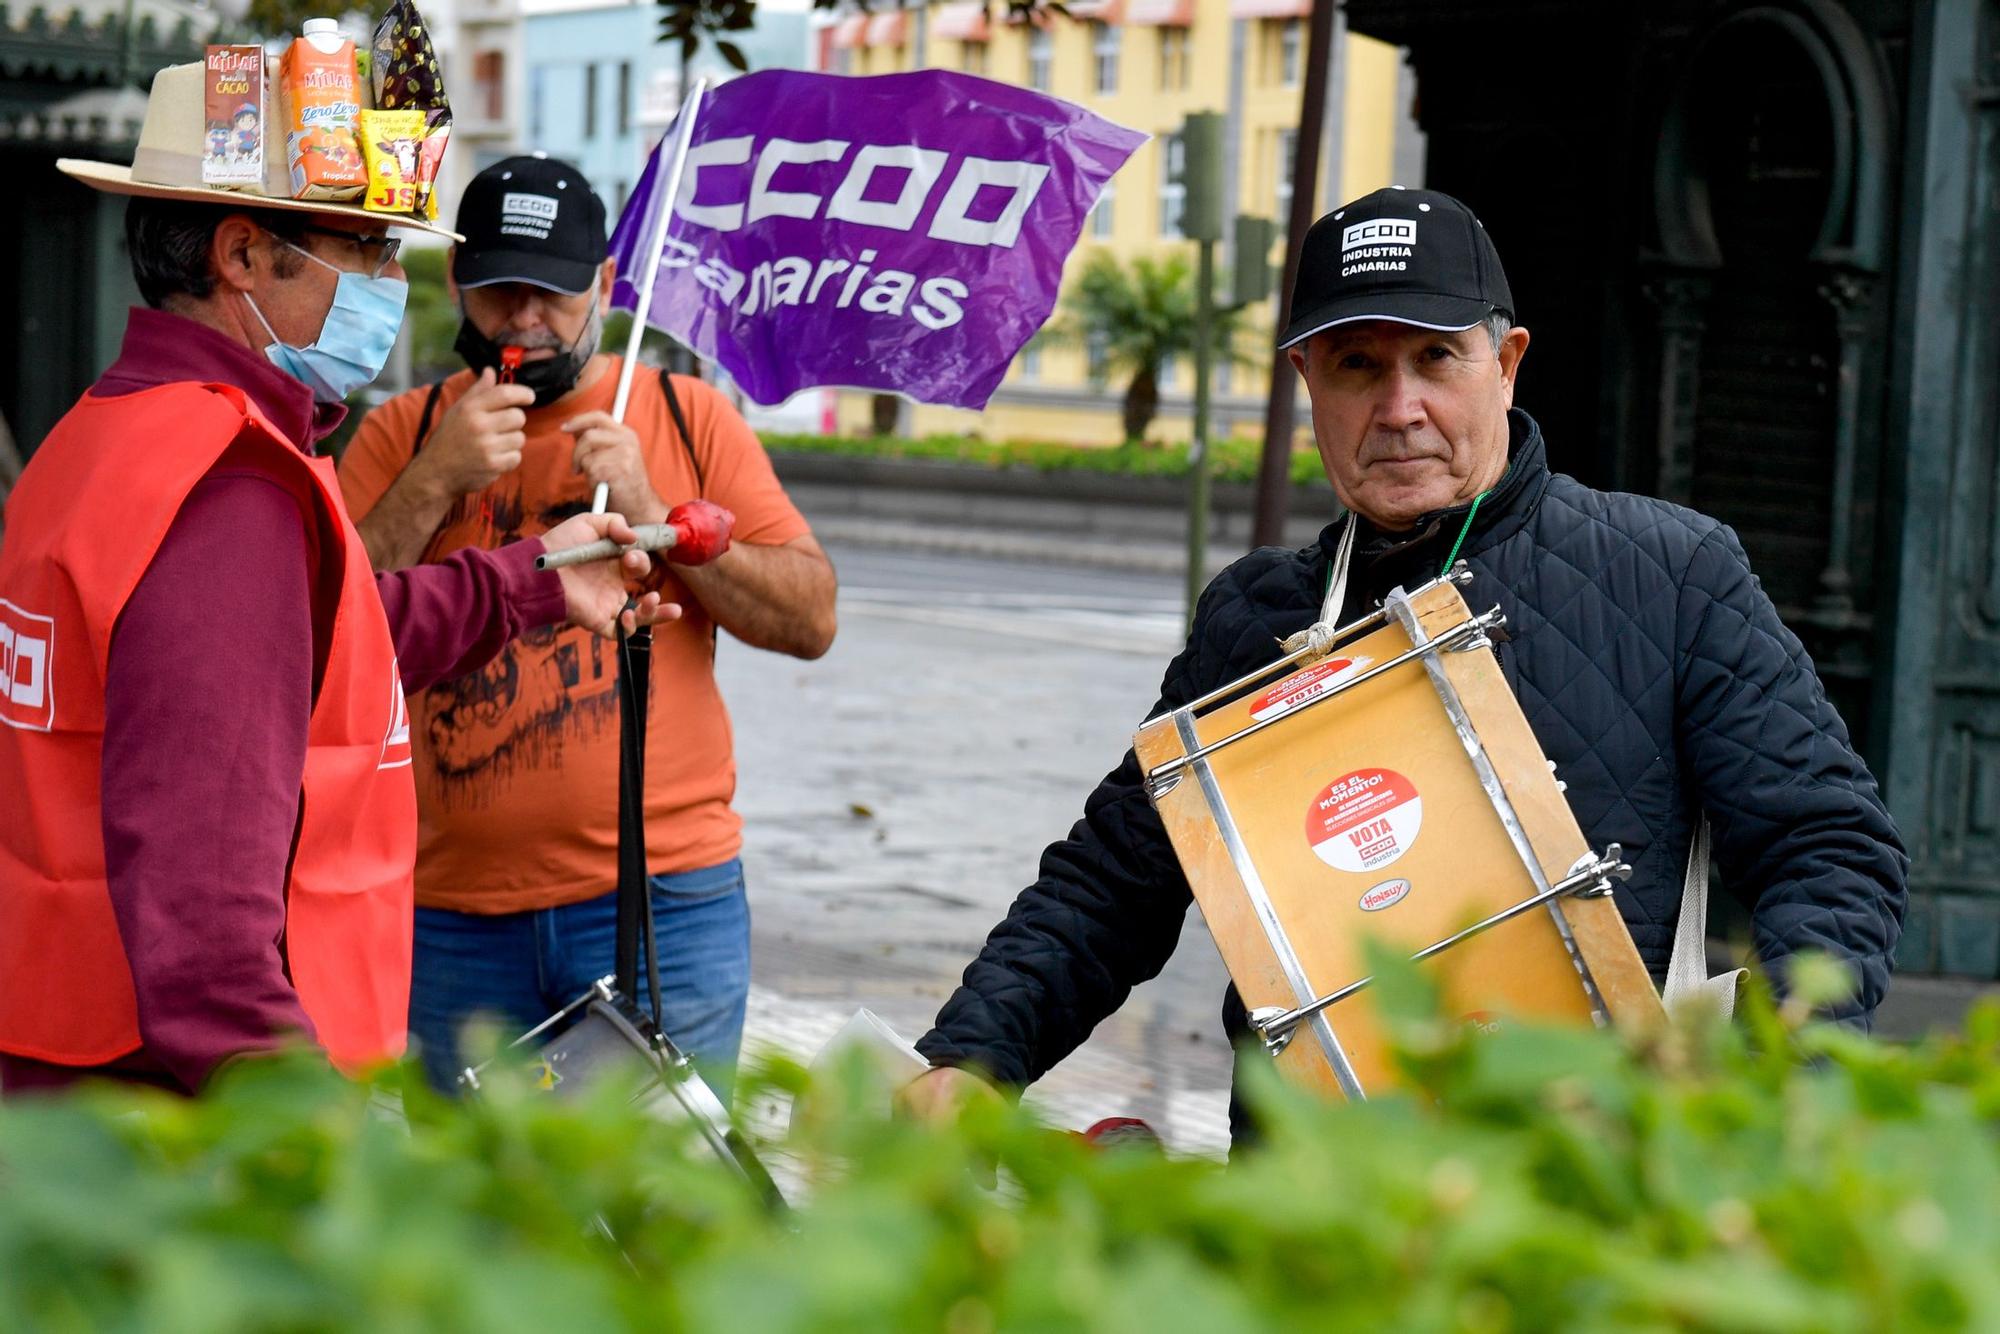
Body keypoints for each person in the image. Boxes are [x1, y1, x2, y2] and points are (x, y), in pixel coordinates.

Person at [899, 187, 1909, 1132]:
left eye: (1434, 358)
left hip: (1588, 1177)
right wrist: (970, 1056)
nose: (1398, 406)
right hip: (1315, 1196)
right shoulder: (1253, 617)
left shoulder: (1670, 571)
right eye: (1355, 366)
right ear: (1305, 382)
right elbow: (1113, 882)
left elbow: (1826, 848)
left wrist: (1796, 1082)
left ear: (1505, 362)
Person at [0, 147, 671, 1095]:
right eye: (366, 248)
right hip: (174, 1108)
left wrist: (536, 582)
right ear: (240, 254)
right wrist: (325, 1146)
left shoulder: (108, 431)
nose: (393, 284)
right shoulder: (226, 487)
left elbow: (315, 641)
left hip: (65, 1050)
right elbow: (209, 932)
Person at [337, 156, 838, 1095]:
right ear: (458, 287)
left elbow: (810, 617)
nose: (525, 318)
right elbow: (326, 635)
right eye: (500, 292)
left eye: (554, 294)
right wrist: (434, 479)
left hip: (662, 905)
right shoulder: (403, 434)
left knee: (662, 1211)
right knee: (474, 1212)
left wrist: (661, 505)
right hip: (452, 914)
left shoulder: (686, 418)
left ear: (605, 287)